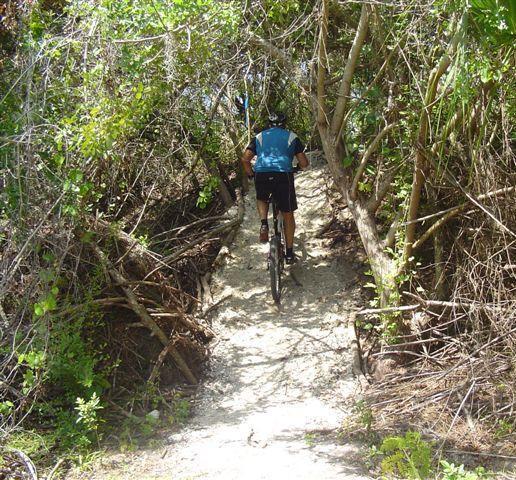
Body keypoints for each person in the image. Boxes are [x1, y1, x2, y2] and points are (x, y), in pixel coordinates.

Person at [241, 112, 309, 265]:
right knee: (288, 214)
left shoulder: (259, 137)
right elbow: (304, 163)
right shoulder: (292, 136)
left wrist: (251, 174)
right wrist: (297, 168)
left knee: (262, 198)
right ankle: (290, 253)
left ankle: (264, 223)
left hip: (262, 174)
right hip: (283, 174)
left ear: (269, 124)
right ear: (284, 123)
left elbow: (245, 158)